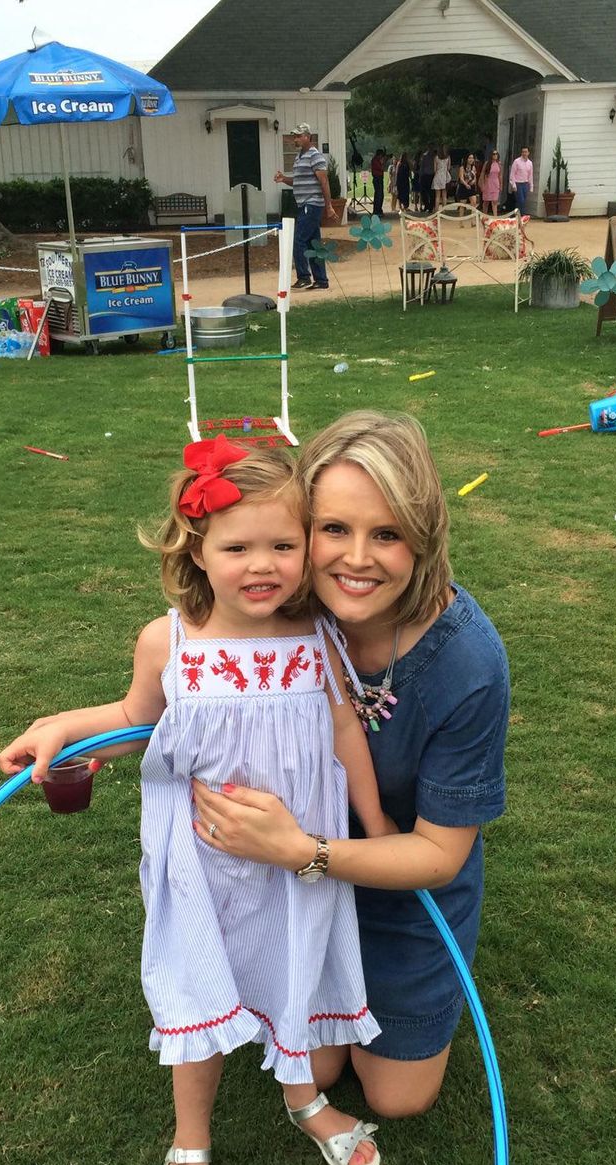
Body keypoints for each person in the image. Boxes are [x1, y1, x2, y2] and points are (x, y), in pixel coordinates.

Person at [0, 439, 387, 1165]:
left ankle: (303, 1098)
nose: (263, 565)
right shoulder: (169, 640)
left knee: (297, 967)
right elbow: (138, 720)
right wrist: (67, 728)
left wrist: (373, 832)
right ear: (195, 549)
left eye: (283, 545)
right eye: (237, 546)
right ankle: (191, 1144)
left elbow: (347, 733)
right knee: (198, 991)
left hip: (294, 854)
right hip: (202, 862)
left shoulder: (317, 636)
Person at [191, 412, 510, 1120]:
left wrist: (301, 850)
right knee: (324, 1059)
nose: (357, 558)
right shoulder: (289, 604)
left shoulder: (468, 664)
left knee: (396, 1097)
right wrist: (81, 730)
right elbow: (193, 677)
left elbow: (437, 854)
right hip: (297, 889)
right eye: (334, 528)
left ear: (423, 537)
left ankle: (411, 989)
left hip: (403, 891)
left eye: (387, 533)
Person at [274, 123, 332, 290]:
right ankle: (321, 280)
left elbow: (324, 182)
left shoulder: (315, 156)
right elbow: (298, 182)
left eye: (299, 136)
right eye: (295, 136)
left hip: (312, 204)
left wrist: (329, 206)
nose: (296, 139)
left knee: (298, 239)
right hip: (304, 204)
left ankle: (304, 276)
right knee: (314, 243)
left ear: (308, 137)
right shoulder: (299, 157)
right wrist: (284, 179)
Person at [509, 146, 533, 217]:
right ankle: (522, 216)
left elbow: (530, 175)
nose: (524, 153)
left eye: (526, 152)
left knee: (522, 202)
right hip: (518, 183)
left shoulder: (530, 163)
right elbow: (512, 174)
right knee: (521, 200)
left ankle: (516, 216)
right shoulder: (517, 161)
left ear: (528, 153)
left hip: (525, 184)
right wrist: (513, 185)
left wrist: (531, 186)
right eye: (523, 152)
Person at [480, 149, 502, 216]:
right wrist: (482, 184)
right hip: (488, 184)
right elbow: (482, 174)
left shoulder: (499, 164)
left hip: (496, 183)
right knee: (486, 201)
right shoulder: (487, 163)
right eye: (494, 154)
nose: (495, 155)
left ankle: (495, 217)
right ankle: (484, 216)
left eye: (496, 154)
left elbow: (500, 175)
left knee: (495, 201)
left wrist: (501, 185)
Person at [419, 144, 436, 213]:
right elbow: (422, 166)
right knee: (424, 192)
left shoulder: (434, 156)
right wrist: (421, 175)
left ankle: (430, 207)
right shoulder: (424, 156)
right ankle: (427, 205)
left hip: (431, 175)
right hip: (425, 175)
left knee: (431, 192)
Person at [370, 147, 387, 216]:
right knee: (378, 195)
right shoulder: (375, 160)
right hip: (377, 178)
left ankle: (379, 209)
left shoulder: (377, 160)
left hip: (379, 178)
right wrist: (383, 162)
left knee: (380, 195)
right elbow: (381, 168)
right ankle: (376, 211)